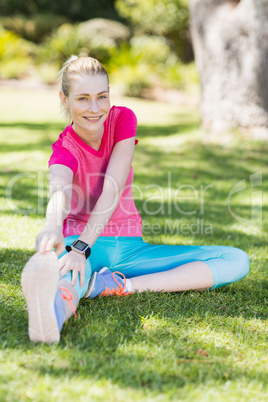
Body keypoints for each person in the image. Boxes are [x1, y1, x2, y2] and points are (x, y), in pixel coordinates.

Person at [21, 56, 250, 344]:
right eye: (83, 98)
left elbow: (112, 188)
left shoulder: (122, 119)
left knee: (236, 259)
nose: (95, 108)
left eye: (101, 97)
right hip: (82, 241)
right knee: (69, 279)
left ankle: (119, 285)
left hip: (130, 247)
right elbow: (60, 191)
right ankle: (49, 321)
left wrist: (81, 248)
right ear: (64, 100)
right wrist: (55, 227)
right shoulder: (64, 149)